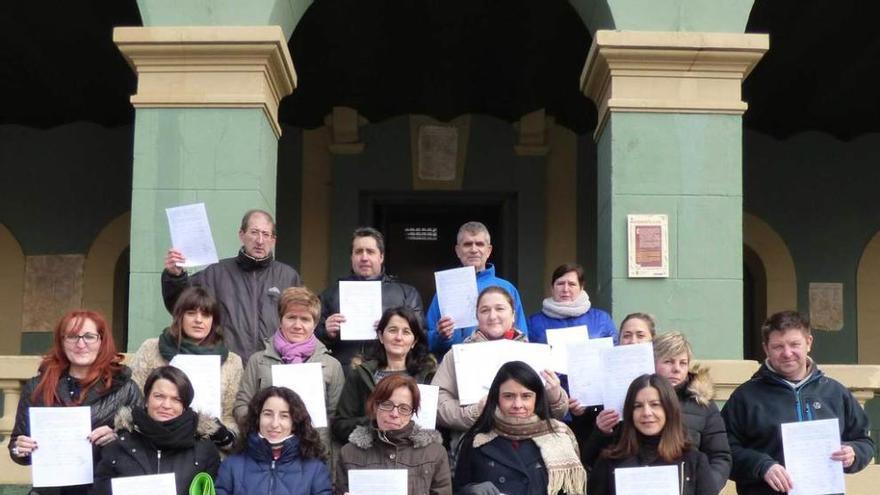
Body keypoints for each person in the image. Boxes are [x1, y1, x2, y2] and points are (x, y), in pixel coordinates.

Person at [721, 311, 874, 494]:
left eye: (795, 344)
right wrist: (761, 466)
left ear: (808, 342)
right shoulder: (745, 397)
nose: (787, 353)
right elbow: (723, 451)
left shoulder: (835, 393)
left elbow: (865, 441)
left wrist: (854, 452)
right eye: (778, 346)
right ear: (766, 348)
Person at [8, 310, 142, 495]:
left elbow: (142, 445)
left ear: (102, 341)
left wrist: (117, 437)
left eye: (89, 336)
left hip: (103, 487)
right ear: (61, 342)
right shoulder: (37, 387)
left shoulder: (125, 388)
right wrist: (20, 448)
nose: (81, 344)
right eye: (72, 337)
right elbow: (17, 446)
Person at [162, 209, 302, 360]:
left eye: (266, 234)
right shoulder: (215, 273)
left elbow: (303, 322)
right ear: (241, 235)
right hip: (227, 365)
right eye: (254, 232)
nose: (260, 240)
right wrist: (175, 277)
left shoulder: (288, 277)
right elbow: (181, 306)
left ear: (273, 240)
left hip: (273, 367)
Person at [432, 287, 568, 442]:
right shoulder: (457, 355)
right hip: (475, 446)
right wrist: (473, 412)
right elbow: (437, 403)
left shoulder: (533, 353)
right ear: (477, 316)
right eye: (485, 310)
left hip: (529, 444)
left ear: (513, 314)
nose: (492, 316)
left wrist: (555, 396)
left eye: (500, 308)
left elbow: (558, 412)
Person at [235, 286, 344, 456]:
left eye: (305, 319)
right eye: (291, 317)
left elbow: (335, 417)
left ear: (315, 324)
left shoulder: (331, 365)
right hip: (264, 451)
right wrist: (264, 426)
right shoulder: (258, 360)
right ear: (281, 320)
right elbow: (242, 405)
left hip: (312, 453)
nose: (297, 325)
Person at [129, 286, 242, 449]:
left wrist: (224, 435)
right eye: (191, 313)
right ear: (179, 316)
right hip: (154, 446)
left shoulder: (232, 361)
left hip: (208, 449)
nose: (198, 320)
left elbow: (231, 415)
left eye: (205, 314)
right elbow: (134, 398)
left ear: (214, 320)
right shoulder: (151, 348)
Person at [454, 361, 586, 495]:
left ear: (537, 398)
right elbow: (458, 489)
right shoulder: (477, 440)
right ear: (496, 397)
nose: (517, 404)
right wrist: (471, 491)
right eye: (508, 396)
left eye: (526, 396)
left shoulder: (558, 438)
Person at [92, 366, 221, 495]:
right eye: (159, 396)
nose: (166, 405)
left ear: (184, 406)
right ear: (147, 400)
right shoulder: (119, 445)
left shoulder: (204, 449)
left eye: (176, 399)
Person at [587, 374, 715, 495]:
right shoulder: (609, 462)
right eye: (638, 406)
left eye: (655, 405)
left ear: (669, 409)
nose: (647, 412)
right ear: (630, 412)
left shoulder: (694, 461)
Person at [317, 227, 424, 370]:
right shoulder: (330, 295)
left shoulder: (406, 293)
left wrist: (391, 327)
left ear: (381, 257)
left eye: (370, 251)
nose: (364, 257)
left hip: (388, 372)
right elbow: (309, 342)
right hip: (345, 373)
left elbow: (420, 336)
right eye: (358, 252)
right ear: (352, 257)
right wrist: (326, 332)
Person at [332, 307, 437, 444]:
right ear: (381, 336)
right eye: (392, 330)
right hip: (371, 455)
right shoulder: (361, 374)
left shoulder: (427, 375)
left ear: (414, 341)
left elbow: (438, 426)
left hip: (416, 455)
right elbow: (340, 426)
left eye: (406, 332)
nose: (399, 337)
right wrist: (377, 420)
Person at [337, 374, 451, 495]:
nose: (394, 414)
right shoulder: (349, 453)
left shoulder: (434, 453)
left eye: (404, 408)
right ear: (375, 406)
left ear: (412, 413)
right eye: (387, 405)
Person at [426, 221, 528, 355]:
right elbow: (427, 342)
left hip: (499, 366)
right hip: (455, 364)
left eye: (479, 244)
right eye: (468, 244)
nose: (474, 249)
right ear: (458, 250)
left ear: (489, 250)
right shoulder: (445, 289)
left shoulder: (507, 289)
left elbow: (522, 337)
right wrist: (441, 336)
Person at [573, 312, 657, 468]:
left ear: (652, 340)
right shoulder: (599, 377)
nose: (633, 341)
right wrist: (598, 428)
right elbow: (586, 453)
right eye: (627, 335)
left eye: (640, 335)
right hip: (614, 464)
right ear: (618, 341)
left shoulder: (661, 379)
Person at [651, 331, 731, 491]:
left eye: (683, 363)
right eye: (668, 361)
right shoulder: (638, 400)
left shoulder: (702, 404)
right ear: (652, 362)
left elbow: (720, 457)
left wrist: (707, 487)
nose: (676, 369)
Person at [216, 386, 332, 495]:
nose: (275, 424)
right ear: (257, 418)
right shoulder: (231, 466)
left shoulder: (315, 469)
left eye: (284, 416)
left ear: (295, 423)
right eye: (268, 414)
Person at [527, 263, 617, 345]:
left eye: (572, 284)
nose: (565, 289)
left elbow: (614, 351)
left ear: (581, 288)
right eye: (560, 284)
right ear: (552, 288)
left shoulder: (601, 319)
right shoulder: (533, 322)